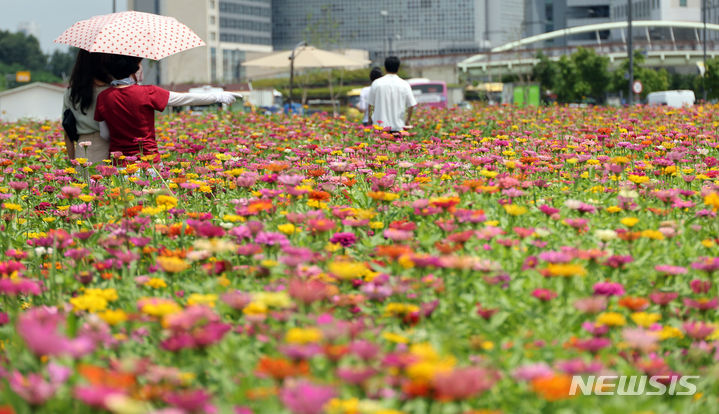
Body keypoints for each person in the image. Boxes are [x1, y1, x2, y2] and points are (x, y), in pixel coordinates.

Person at [94, 54, 237, 162]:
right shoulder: (147, 92)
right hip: (148, 161)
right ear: (135, 69)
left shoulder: (103, 97)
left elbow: (104, 135)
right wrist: (217, 96)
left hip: (119, 165)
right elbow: (184, 99)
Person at [61, 50, 112, 164]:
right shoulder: (111, 91)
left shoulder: (71, 92)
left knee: (84, 181)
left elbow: (67, 132)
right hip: (107, 147)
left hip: (82, 150)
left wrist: (72, 161)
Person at [368, 56, 417, 132]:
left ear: (385, 68)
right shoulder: (404, 84)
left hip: (380, 128)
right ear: (398, 68)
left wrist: (370, 118)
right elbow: (411, 105)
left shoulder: (376, 83)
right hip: (398, 128)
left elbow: (370, 104)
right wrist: (407, 120)